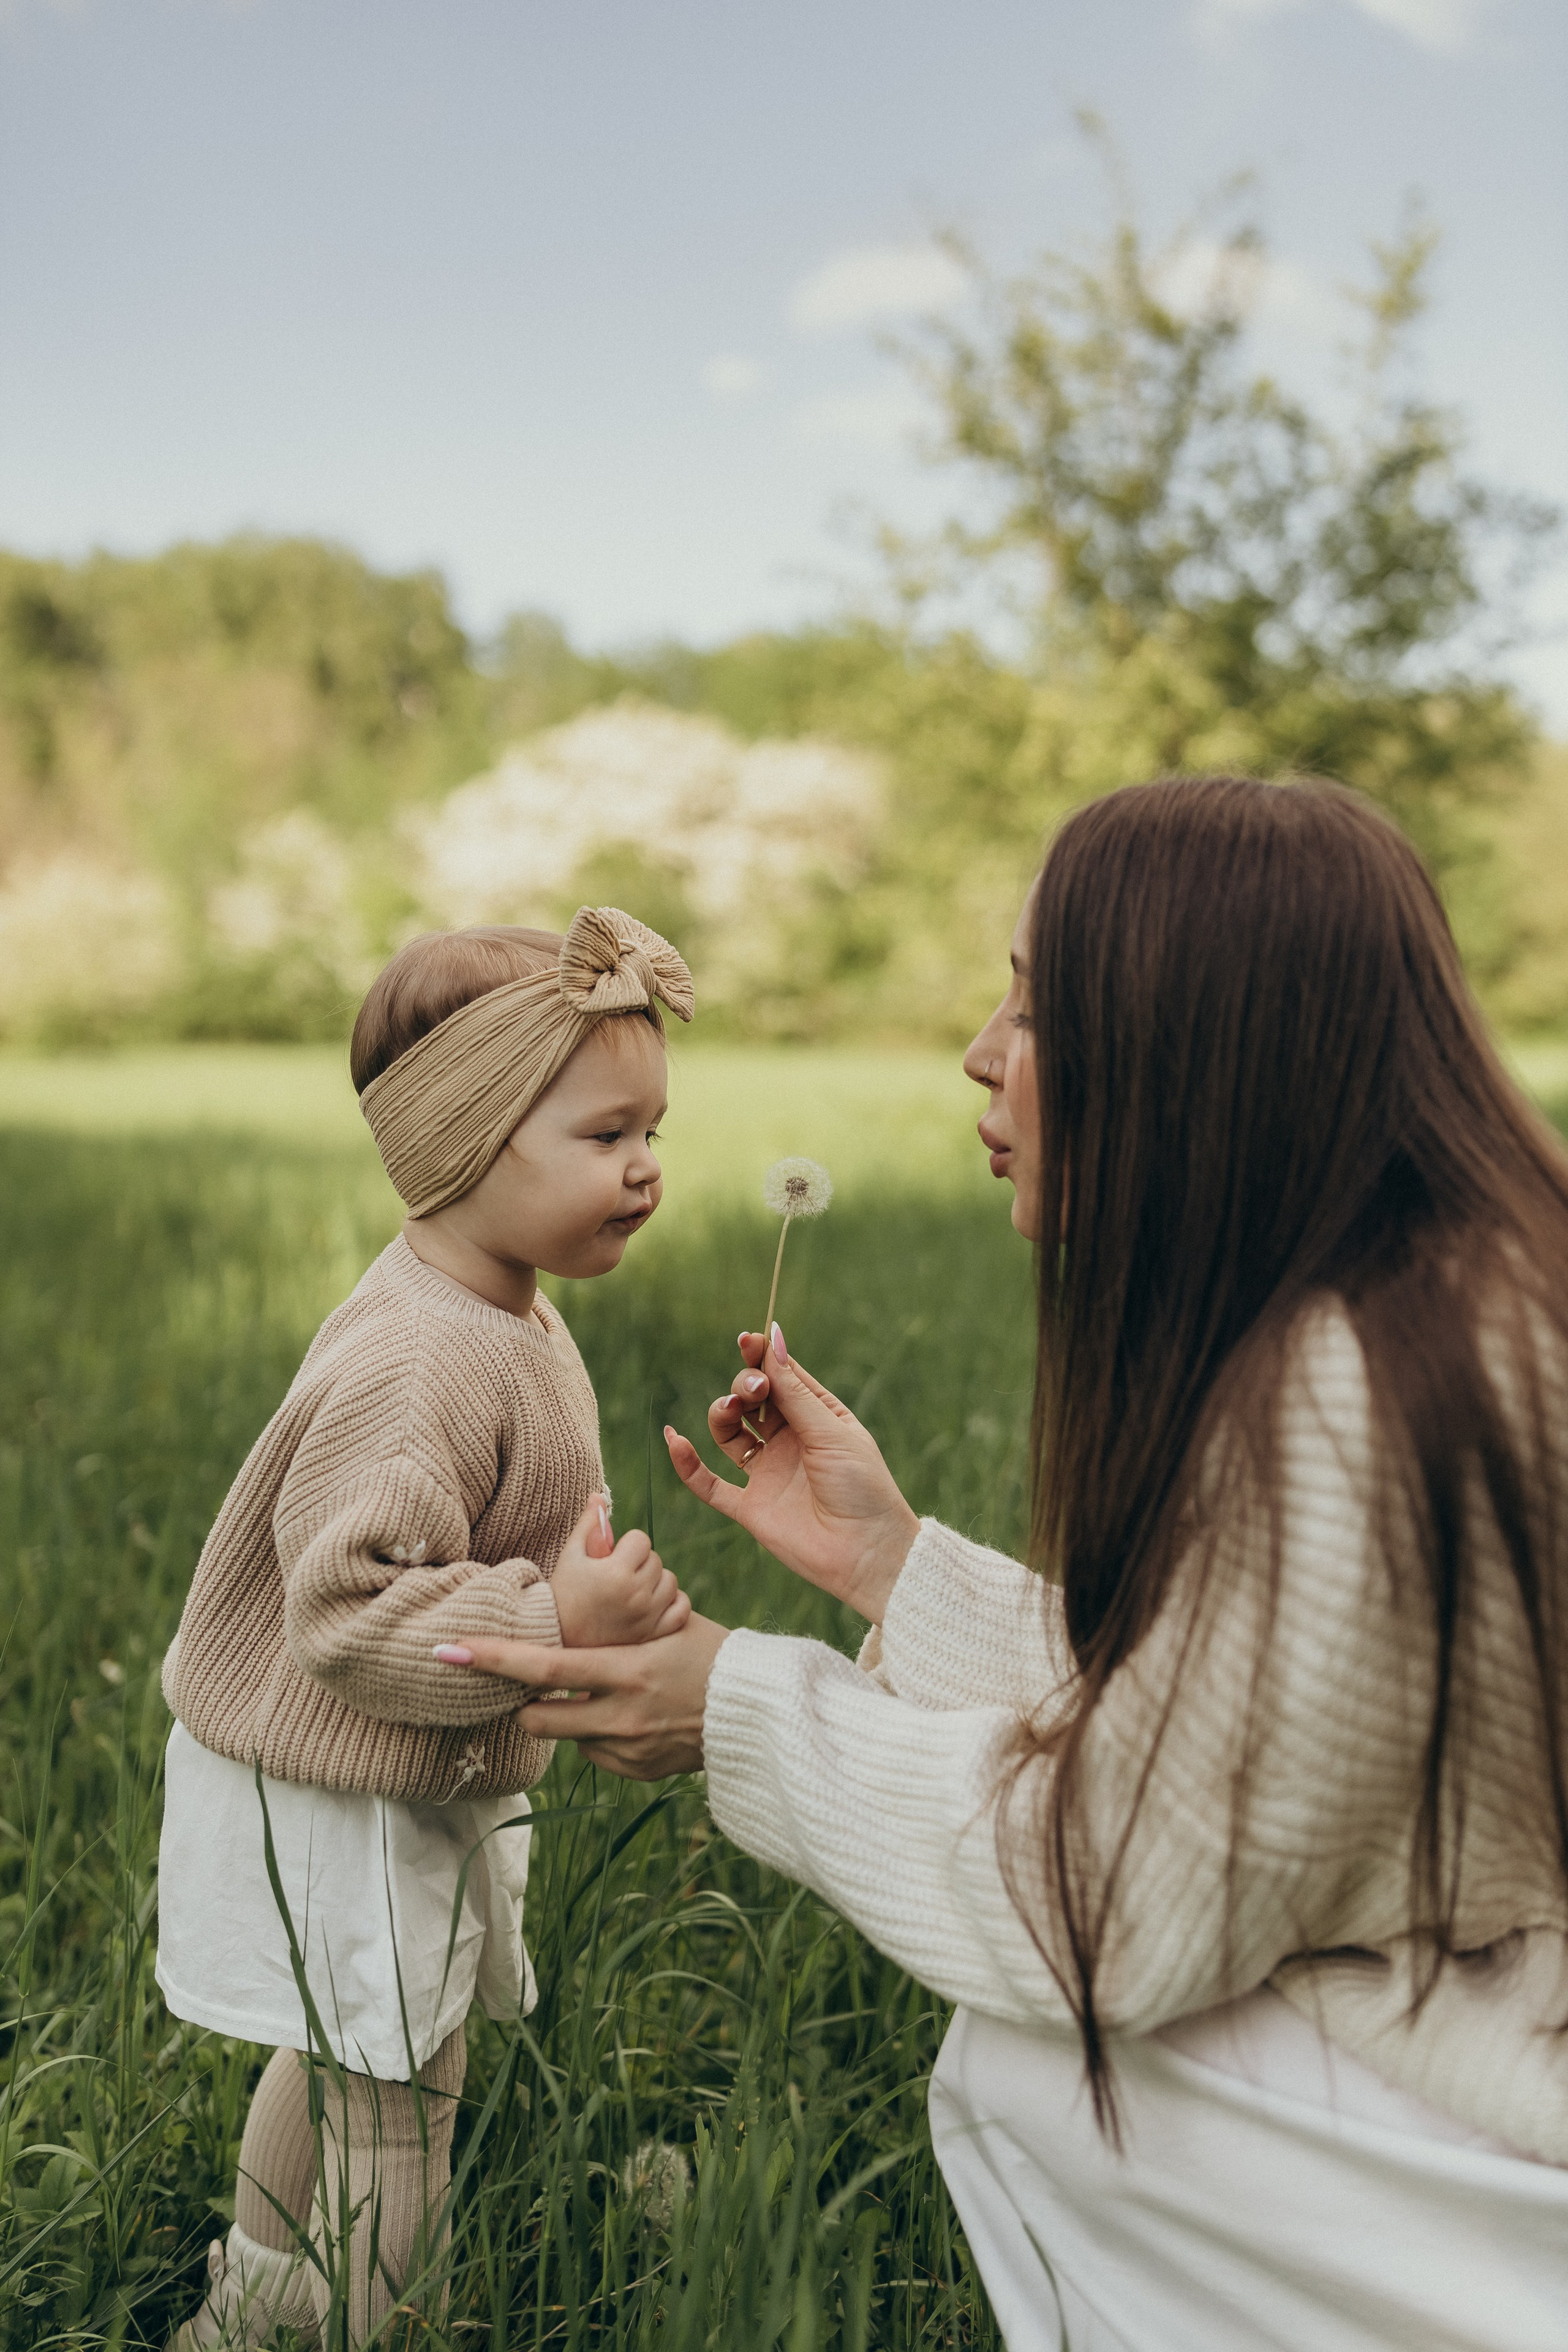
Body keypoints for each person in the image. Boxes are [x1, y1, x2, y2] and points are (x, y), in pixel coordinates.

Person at [439, 778, 1568, 2352]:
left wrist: (735, 1709)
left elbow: (1110, 1903)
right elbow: (1254, 1744)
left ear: (1189, 1049)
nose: (979, 1051)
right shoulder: (1447, 1304)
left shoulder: (1366, 1400)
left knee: (1044, 2072)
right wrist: (899, 1570)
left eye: (1035, 1007)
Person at [157, 908, 695, 2351]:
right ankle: (365, 2329)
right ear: (464, 1143)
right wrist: (546, 1616)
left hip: (371, 1762)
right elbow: (346, 1607)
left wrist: (587, 1621)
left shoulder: (498, 1306)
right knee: (400, 2099)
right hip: (345, 1768)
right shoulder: (423, 1360)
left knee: (342, 2054)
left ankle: (254, 2319)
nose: (646, 1166)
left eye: (652, 1128)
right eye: (604, 1136)